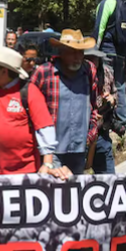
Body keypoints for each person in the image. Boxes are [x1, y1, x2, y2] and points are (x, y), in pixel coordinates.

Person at [0, 47, 66, 177]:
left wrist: (47, 164)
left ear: (4, 71)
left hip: (23, 173)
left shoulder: (29, 92)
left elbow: (45, 128)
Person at [31, 30, 99, 171]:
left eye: (80, 52)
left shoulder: (88, 71)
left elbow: (94, 106)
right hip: (52, 150)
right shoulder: (45, 72)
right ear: (61, 52)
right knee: (54, 189)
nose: (77, 57)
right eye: (72, 52)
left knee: (76, 190)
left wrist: (90, 135)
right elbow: (31, 108)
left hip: (79, 149)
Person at [92, 0, 126, 137]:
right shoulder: (125, 2)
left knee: (104, 84)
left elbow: (99, 31)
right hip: (122, 53)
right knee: (120, 85)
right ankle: (123, 122)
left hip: (107, 52)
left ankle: (105, 120)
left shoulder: (106, 4)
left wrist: (93, 53)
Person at [84, 48, 119, 174]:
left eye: (95, 58)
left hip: (101, 133)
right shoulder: (78, 76)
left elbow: (116, 94)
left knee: (108, 179)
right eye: (89, 58)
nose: (93, 62)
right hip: (82, 135)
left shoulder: (106, 72)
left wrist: (112, 100)